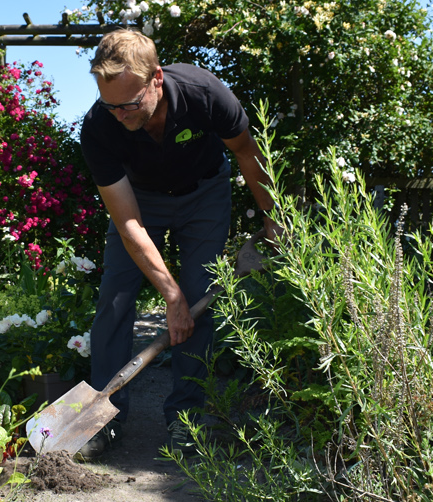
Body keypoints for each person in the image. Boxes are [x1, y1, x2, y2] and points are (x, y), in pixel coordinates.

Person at [77, 29, 277, 460]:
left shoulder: (205, 94)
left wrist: (272, 219)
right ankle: (103, 420)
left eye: (130, 104)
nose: (119, 114)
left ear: (156, 79)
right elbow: (128, 220)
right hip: (141, 200)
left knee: (198, 295)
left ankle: (185, 420)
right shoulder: (99, 127)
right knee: (115, 296)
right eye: (110, 104)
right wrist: (168, 295)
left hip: (203, 192)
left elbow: (247, 154)